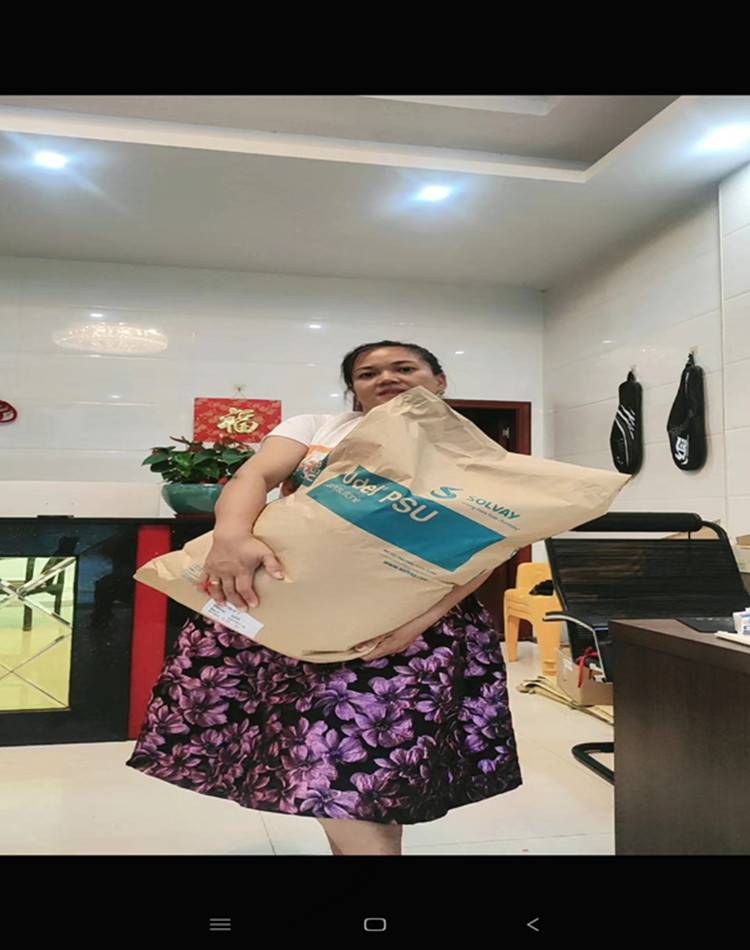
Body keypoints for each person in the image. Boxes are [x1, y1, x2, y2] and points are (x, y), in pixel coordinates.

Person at [125, 340, 523, 855]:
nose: (386, 378)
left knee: (370, 773)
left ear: (439, 380)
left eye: (405, 368)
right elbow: (256, 474)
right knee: (325, 767)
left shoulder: (473, 453)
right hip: (290, 615)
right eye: (367, 373)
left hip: (409, 631)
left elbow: (487, 548)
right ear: (353, 389)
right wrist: (230, 536)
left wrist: (413, 625)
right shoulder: (317, 428)